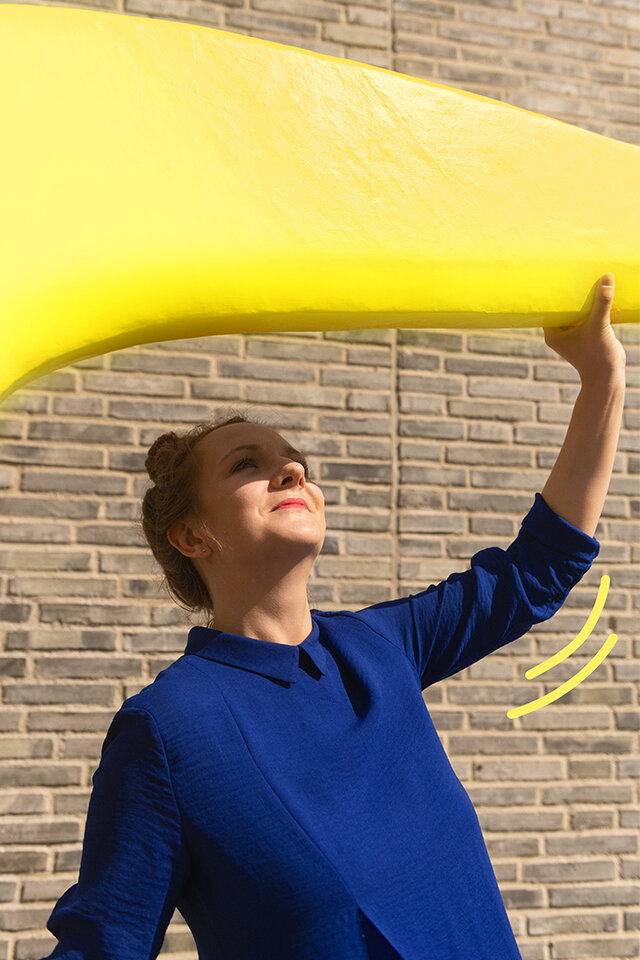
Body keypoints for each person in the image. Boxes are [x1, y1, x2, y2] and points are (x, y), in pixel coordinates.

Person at [39, 274, 626, 959]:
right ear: (192, 536)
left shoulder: (380, 648)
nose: (291, 471)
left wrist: (601, 374)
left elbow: (537, 569)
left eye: (296, 461)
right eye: (248, 464)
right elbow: (101, 945)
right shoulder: (169, 731)